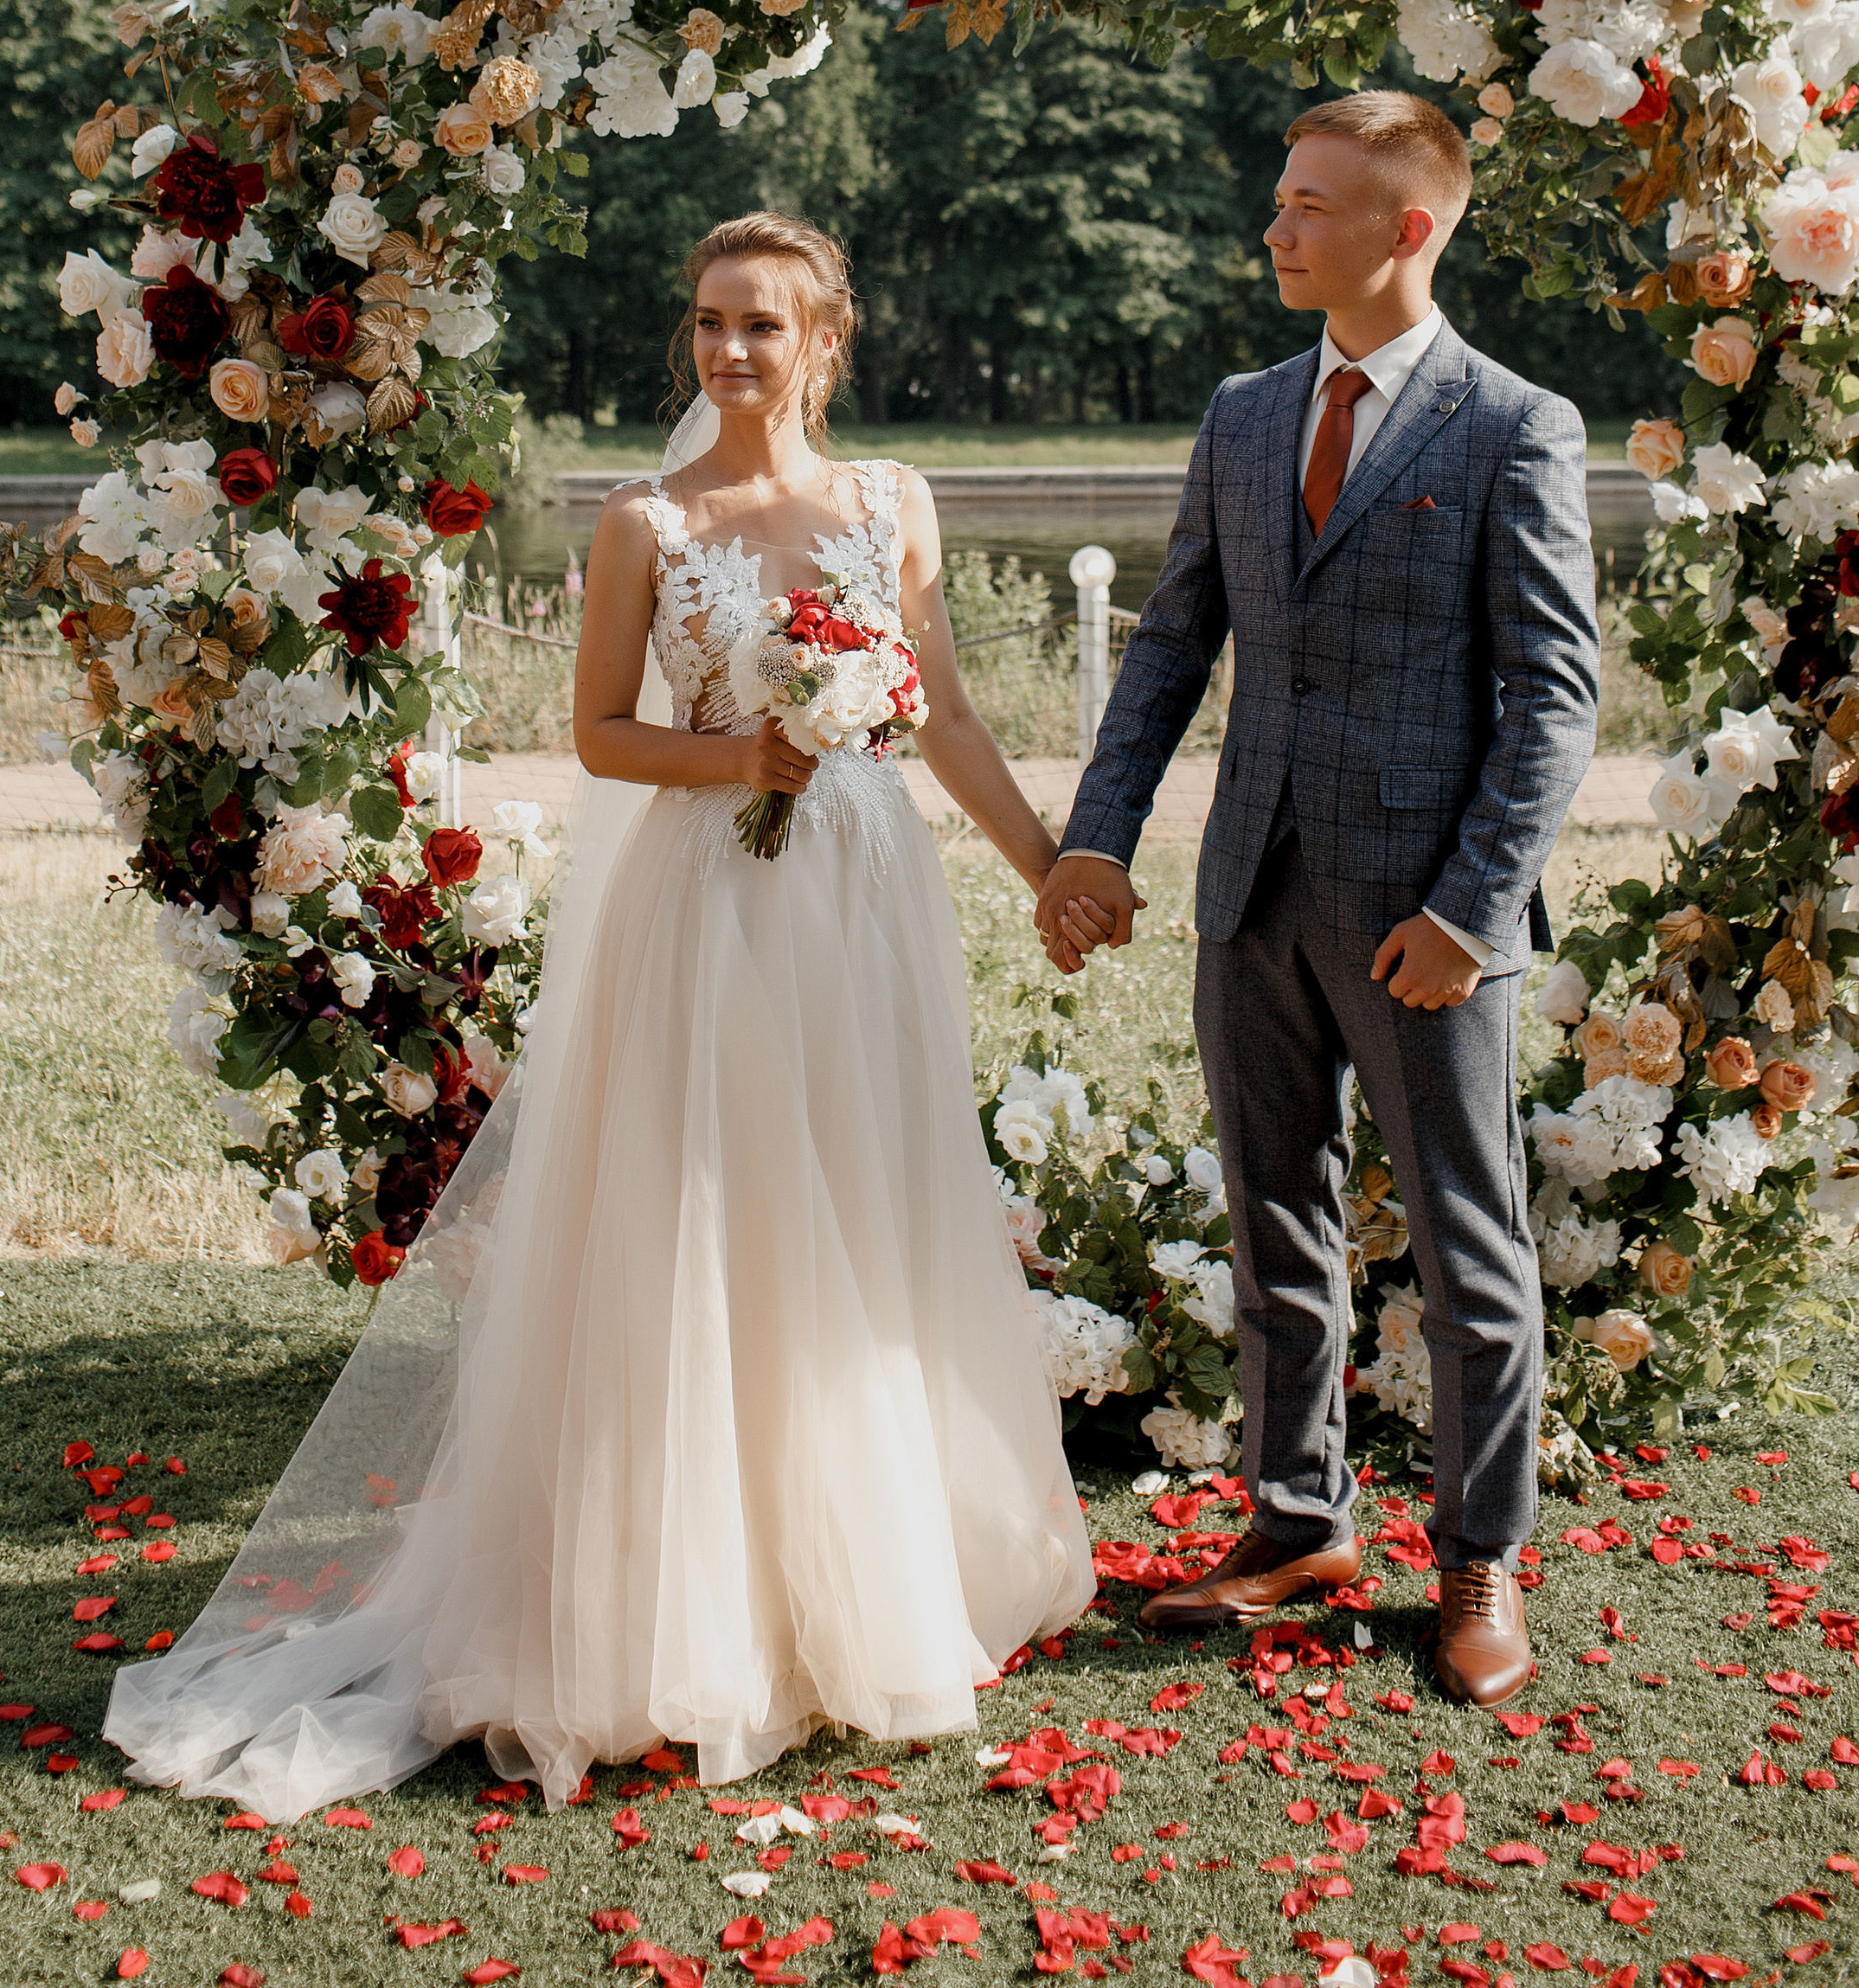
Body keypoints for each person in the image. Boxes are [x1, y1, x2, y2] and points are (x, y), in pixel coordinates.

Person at [106, 208, 1089, 1816]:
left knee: (860, 1203)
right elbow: (601, 736)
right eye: (709, 322)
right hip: (707, 901)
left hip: (862, 897)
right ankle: (697, 1604)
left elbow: (951, 713)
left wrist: (1048, 865)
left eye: (764, 324)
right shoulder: (646, 522)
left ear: (826, 338)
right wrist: (742, 758)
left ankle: (860, 1569)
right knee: (709, 1216)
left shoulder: (894, 503)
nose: (730, 351)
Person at [1038, 93, 1597, 1707]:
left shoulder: (1514, 425)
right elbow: (1172, 645)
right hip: (1252, 897)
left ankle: (1479, 1558)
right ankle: (1299, 1525)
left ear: (1405, 230)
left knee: (1463, 1240)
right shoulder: (1241, 411)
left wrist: (1476, 912)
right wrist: (1100, 837)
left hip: (1428, 924)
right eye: (1279, 200)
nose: (1272, 230)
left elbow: (1556, 698)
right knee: (1276, 1224)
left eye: (1305, 206)